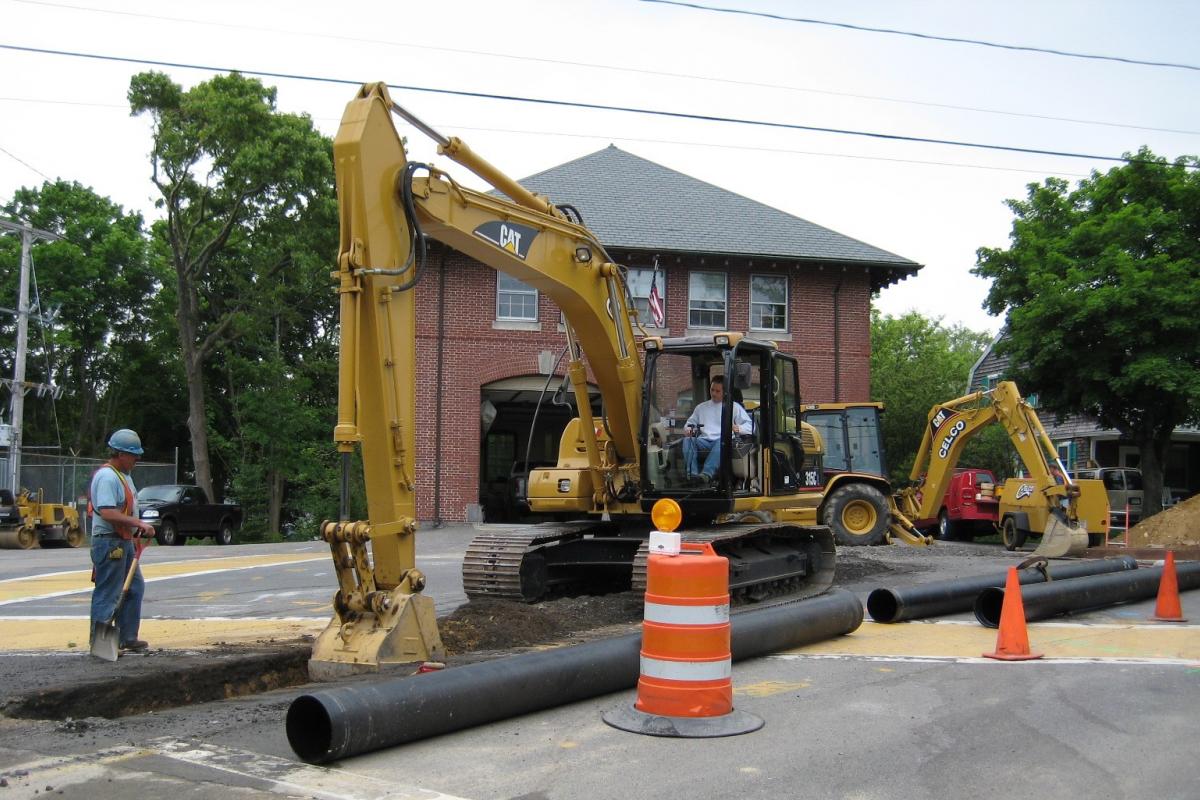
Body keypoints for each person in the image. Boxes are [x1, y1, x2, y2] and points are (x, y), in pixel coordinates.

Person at [89, 428, 155, 654]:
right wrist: (138, 524)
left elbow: (124, 510)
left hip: (123, 541)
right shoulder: (107, 477)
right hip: (109, 543)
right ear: (120, 454)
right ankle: (101, 646)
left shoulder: (124, 476)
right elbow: (107, 512)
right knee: (109, 593)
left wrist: (133, 531)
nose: (137, 459)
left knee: (134, 588)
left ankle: (127, 637)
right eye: (133, 454)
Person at [682, 375, 752, 483]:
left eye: (717, 391)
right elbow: (690, 424)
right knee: (688, 440)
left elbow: (751, 426)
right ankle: (692, 475)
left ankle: (706, 475)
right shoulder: (701, 408)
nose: (713, 393)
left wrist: (739, 427)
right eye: (712, 390)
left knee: (723, 440)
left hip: (722, 440)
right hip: (704, 440)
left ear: (724, 392)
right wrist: (689, 430)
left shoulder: (734, 407)